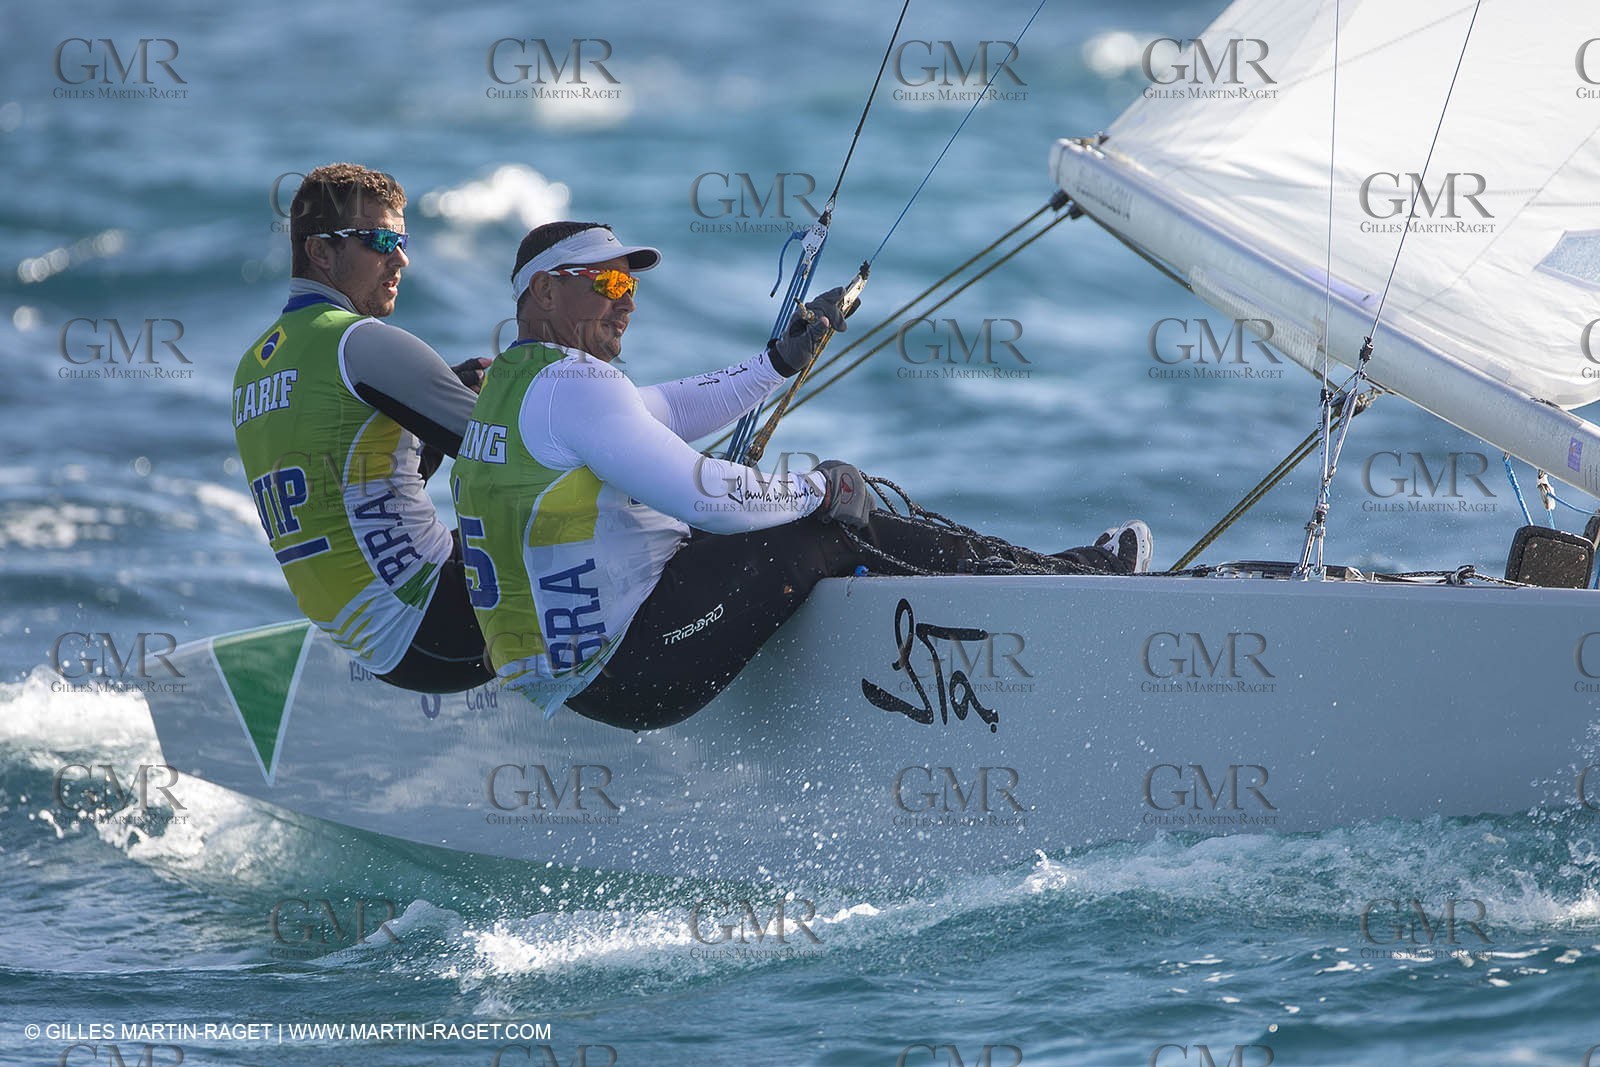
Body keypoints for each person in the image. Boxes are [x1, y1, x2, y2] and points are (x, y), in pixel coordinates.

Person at [451, 221, 1152, 729]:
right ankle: (1060, 582)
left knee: (780, 518)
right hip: (634, 669)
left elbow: (666, 406)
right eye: (607, 282)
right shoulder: (575, 385)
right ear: (543, 291)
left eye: (630, 283)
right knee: (821, 529)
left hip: (583, 682)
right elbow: (708, 496)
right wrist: (821, 489)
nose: (628, 299)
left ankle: (1020, 574)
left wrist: (779, 361)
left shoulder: (515, 385)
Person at [232, 162, 493, 693]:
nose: (401, 258)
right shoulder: (361, 342)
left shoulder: (252, 368)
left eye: (401, 239)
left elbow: (358, 490)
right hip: (447, 620)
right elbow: (515, 451)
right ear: (321, 251)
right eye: (378, 240)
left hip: (385, 650)